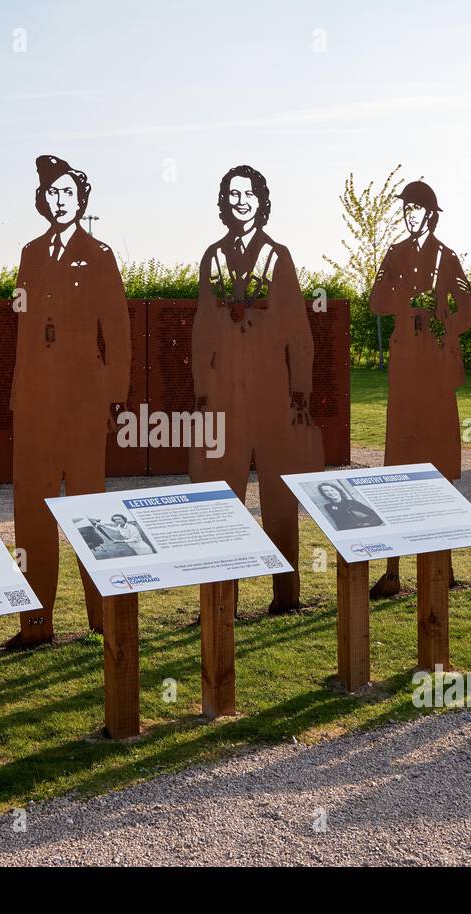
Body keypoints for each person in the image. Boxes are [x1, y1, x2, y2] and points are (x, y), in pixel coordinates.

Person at [8, 155, 131, 647]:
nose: (59, 201)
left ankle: (102, 618)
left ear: (81, 200)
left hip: (82, 401)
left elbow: (117, 331)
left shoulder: (99, 254)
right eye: (51, 194)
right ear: (43, 201)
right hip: (36, 402)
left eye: (68, 193)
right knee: (32, 512)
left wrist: (114, 397)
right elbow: (22, 329)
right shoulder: (30, 253)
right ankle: (35, 624)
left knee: (87, 510)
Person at [189, 165, 319, 613]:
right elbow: (203, 327)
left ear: (261, 201)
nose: (240, 200)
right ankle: (219, 600)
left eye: (248, 193)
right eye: (232, 194)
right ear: (224, 203)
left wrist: (300, 389)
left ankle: (286, 595)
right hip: (224, 395)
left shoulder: (278, 256)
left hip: (272, 394)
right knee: (219, 495)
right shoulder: (212, 256)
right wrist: (202, 387)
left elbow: (297, 328)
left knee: (278, 495)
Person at [368, 181, 471, 596]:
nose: (409, 215)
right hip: (405, 369)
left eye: (416, 208)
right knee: (400, 461)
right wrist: (402, 298)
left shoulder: (447, 258)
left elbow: (470, 309)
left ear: (431, 213)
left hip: (435, 367)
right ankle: (393, 570)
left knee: (440, 462)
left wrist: (444, 322)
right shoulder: (394, 255)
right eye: (405, 209)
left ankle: (443, 566)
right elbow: (377, 300)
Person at [315, 481, 382, 531]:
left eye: (332, 490)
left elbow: (376, 515)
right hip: (348, 532)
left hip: (364, 529)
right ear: (324, 494)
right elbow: (340, 524)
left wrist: (367, 524)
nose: (330, 492)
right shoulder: (328, 507)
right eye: (325, 491)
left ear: (338, 491)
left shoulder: (352, 502)